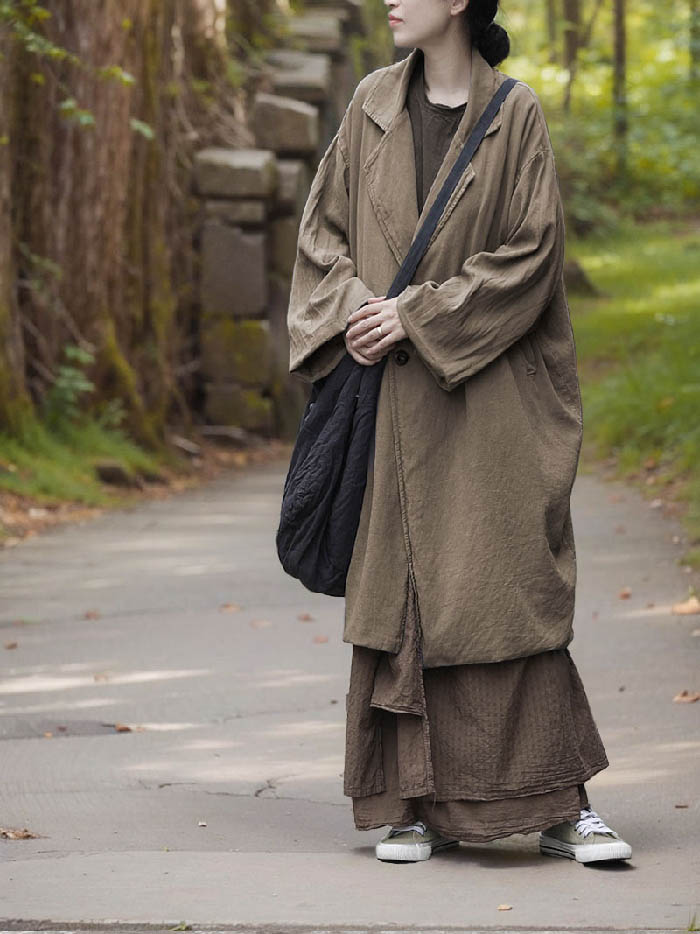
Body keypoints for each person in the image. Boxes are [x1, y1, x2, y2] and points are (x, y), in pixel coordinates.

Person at [286, 0, 633, 865]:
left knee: (505, 590)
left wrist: (420, 315)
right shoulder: (369, 105)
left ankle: (560, 806)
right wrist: (357, 310)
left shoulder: (515, 113)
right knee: (402, 595)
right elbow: (320, 238)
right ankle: (407, 805)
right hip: (393, 408)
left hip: (488, 405)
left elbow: (532, 254)